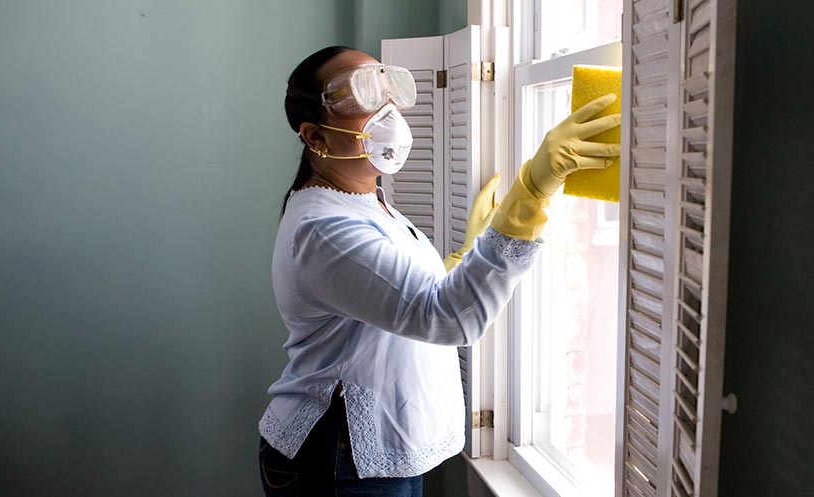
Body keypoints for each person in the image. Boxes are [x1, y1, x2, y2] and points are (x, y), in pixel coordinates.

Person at [257, 45, 621, 496]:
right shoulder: (323, 228)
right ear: (315, 136)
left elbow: (392, 294)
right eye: (363, 94)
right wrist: (529, 196)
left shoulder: (365, 199)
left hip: (372, 453)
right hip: (339, 456)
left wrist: (467, 254)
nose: (387, 107)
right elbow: (448, 318)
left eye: (388, 87)